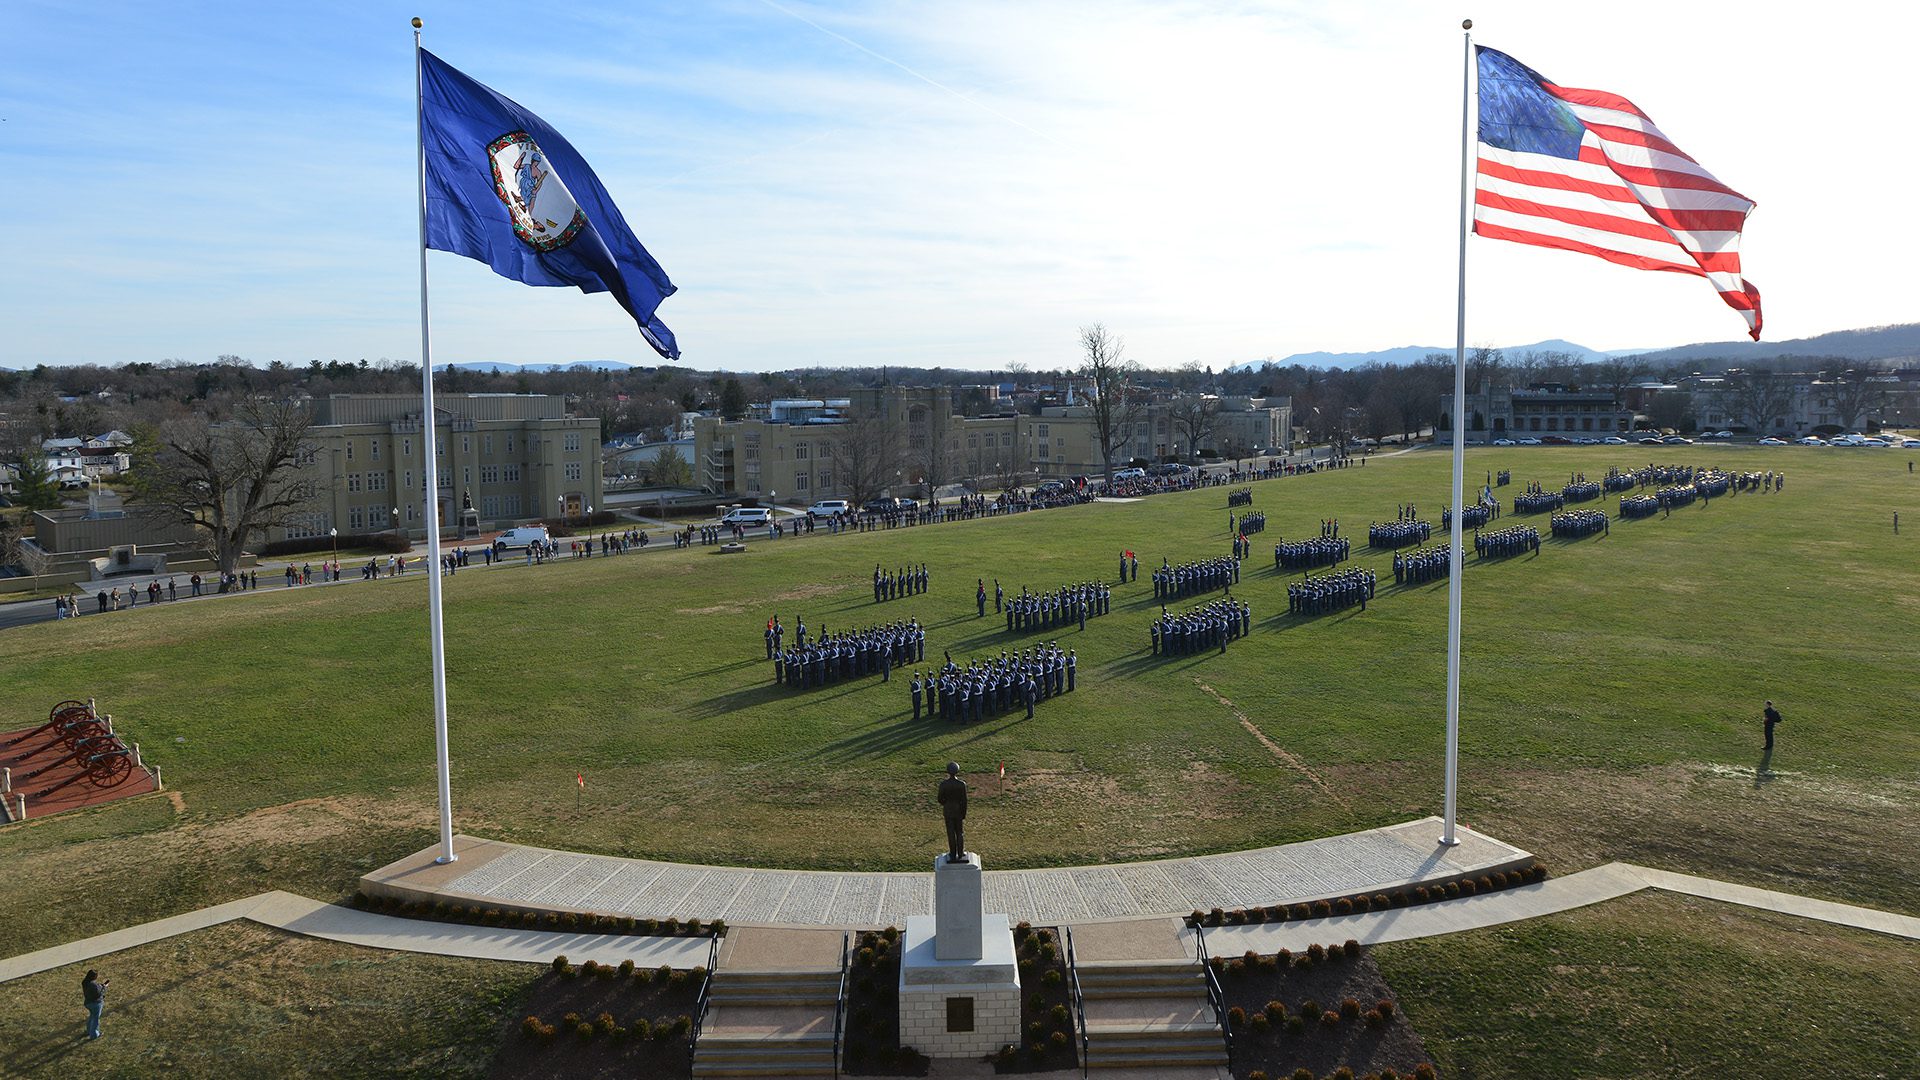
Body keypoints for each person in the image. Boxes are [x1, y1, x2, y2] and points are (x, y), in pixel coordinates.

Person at [938, 762, 968, 862]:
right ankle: (960, 853)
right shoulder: (961, 784)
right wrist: (963, 813)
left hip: (948, 810)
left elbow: (940, 799)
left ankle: (952, 853)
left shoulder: (943, 784)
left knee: (950, 833)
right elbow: (964, 800)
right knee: (959, 832)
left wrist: (946, 804)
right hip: (958, 811)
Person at [82, 969, 108, 1039]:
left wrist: (100, 986)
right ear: (94, 977)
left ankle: (88, 1030)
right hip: (96, 1004)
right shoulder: (93, 985)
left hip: (88, 1003)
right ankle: (94, 1035)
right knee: (95, 1019)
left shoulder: (85, 982)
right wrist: (104, 988)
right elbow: (98, 994)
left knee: (92, 1016)